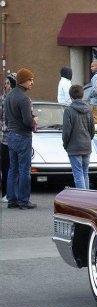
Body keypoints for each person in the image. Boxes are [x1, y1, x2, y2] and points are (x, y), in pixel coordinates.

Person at [5, 68, 37, 209]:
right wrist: (34, 119)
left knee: (13, 169)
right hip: (23, 137)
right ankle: (24, 201)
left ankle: (11, 200)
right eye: (30, 80)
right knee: (24, 170)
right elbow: (27, 122)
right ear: (23, 80)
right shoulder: (24, 99)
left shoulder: (9, 96)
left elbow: (6, 119)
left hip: (11, 135)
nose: (32, 83)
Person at [62, 84, 95, 189]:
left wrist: (65, 144)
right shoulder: (88, 109)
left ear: (71, 96)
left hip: (74, 147)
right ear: (82, 95)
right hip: (86, 145)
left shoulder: (68, 110)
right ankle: (87, 198)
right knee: (85, 173)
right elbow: (92, 130)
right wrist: (88, 139)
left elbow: (66, 132)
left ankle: (82, 200)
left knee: (78, 174)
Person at [0, 73, 13, 202]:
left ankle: (12, 193)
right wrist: (4, 128)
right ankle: (4, 194)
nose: (6, 86)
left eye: (8, 83)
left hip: (15, 137)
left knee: (14, 167)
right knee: (5, 167)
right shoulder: (2, 99)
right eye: (5, 83)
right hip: (4, 138)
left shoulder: (15, 98)